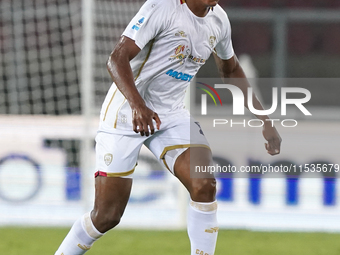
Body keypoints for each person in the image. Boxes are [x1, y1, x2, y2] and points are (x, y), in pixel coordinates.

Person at [54, 0, 281, 254]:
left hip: (172, 114)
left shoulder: (219, 20)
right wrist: (138, 106)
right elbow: (116, 59)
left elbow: (231, 70)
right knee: (107, 215)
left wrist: (265, 119)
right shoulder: (162, 7)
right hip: (127, 111)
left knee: (204, 183)